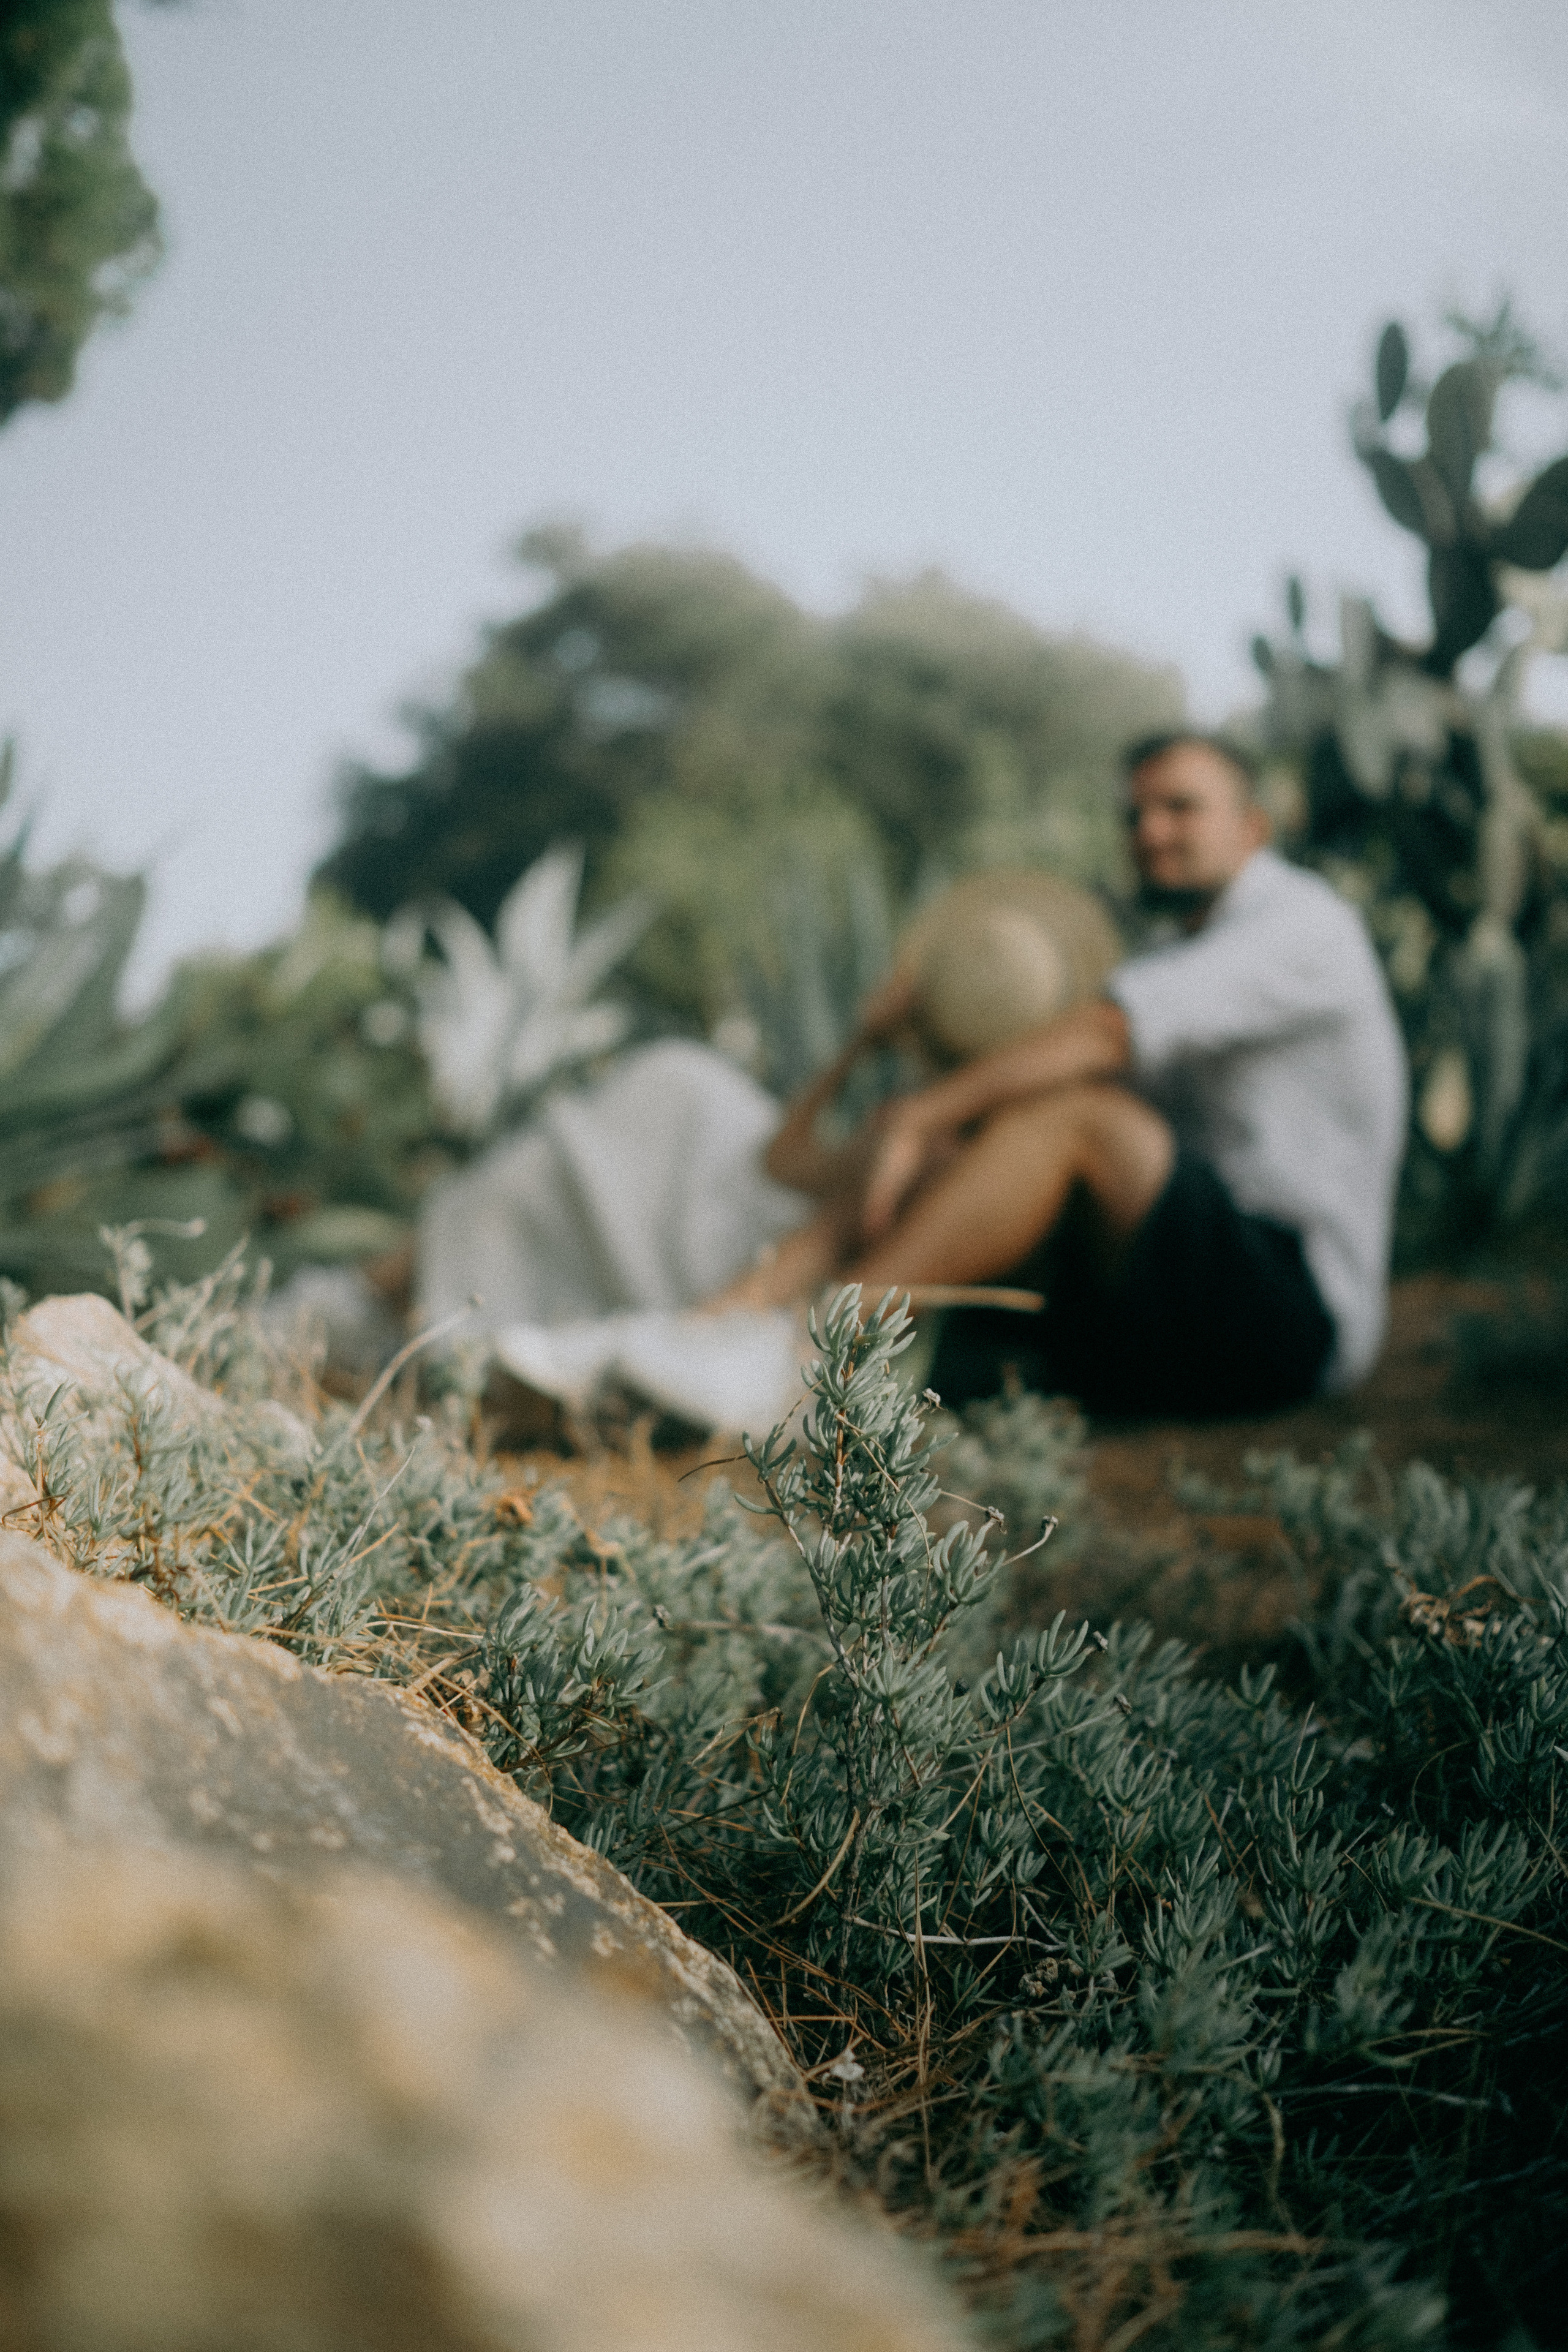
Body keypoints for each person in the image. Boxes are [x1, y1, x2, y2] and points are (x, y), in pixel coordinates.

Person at [720, 733, 1409, 1419]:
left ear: (1252, 827)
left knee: (1074, 1121)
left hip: (1294, 1321)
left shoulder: (1304, 925)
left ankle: (818, 1346)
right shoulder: (1175, 948)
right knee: (976, 1140)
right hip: (1172, 1299)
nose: (1149, 831)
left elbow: (1106, 1036)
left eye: (1180, 807)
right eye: (1135, 815)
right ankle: (720, 1324)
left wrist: (921, 1112)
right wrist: (900, 1069)